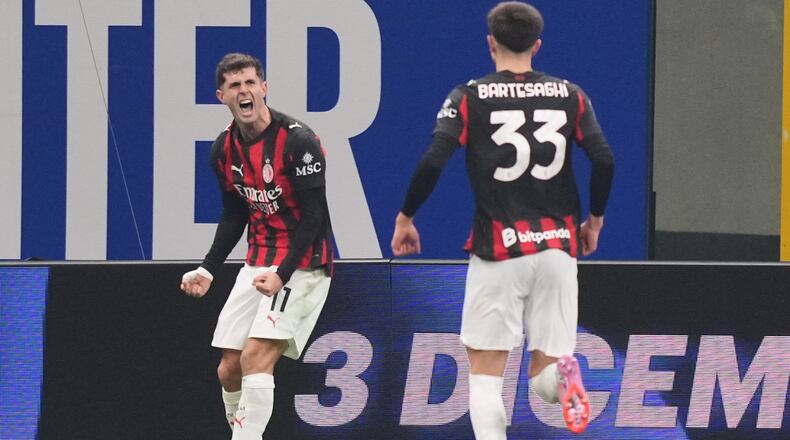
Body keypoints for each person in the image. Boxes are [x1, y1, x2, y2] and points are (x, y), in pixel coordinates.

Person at [391, 2, 614, 437]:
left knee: (486, 375)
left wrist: (406, 216)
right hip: (557, 249)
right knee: (546, 380)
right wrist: (595, 221)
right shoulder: (571, 94)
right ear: (537, 44)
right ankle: (565, 375)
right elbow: (604, 159)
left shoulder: (469, 96)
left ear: (490, 43)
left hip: (499, 251)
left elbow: (433, 161)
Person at [180, 52, 334, 439]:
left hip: (304, 263)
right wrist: (208, 268)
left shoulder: (299, 141)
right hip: (258, 262)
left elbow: (314, 219)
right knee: (229, 369)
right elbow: (235, 214)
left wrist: (282, 275)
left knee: (254, 357)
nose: (244, 91)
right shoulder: (223, 150)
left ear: (263, 88)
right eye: (235, 86)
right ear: (221, 96)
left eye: (250, 83)